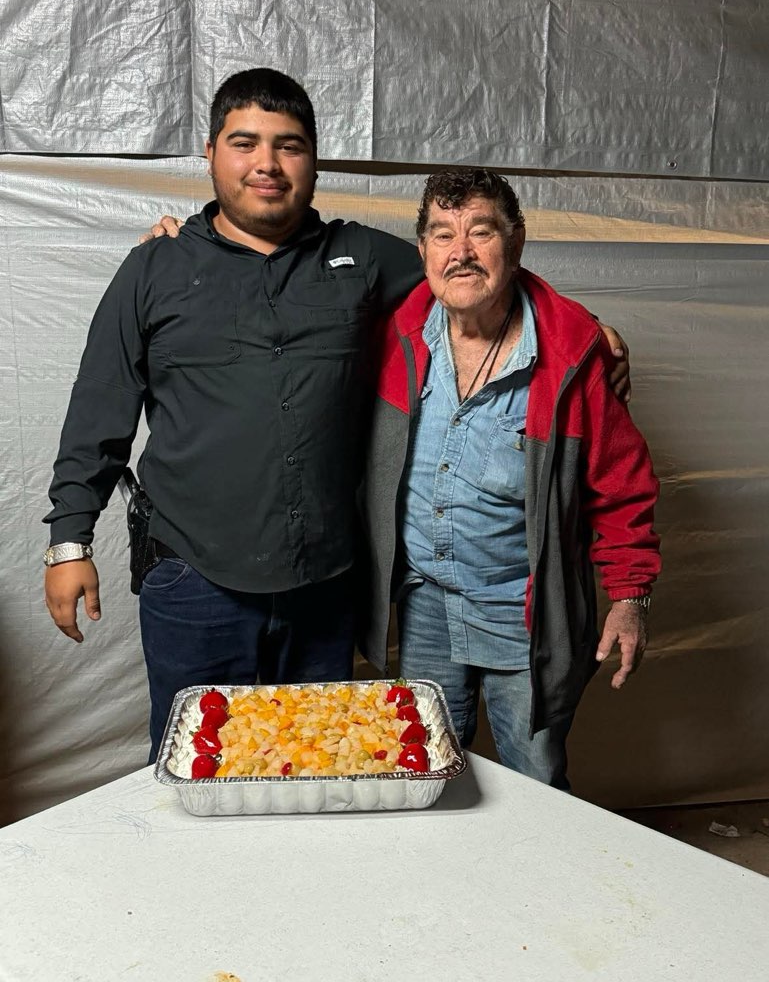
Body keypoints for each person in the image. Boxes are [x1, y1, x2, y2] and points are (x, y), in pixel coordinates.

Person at [43, 68, 631, 759]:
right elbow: (98, 409)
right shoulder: (154, 270)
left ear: (313, 160)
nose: (266, 163)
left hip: (322, 585)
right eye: (245, 142)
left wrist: (579, 324)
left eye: (288, 145)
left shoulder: (363, 259)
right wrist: (69, 542)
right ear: (209, 154)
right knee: (194, 765)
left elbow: (471, 269)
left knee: (320, 761)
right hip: (193, 575)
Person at [359, 168, 661, 789]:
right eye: (442, 235)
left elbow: (622, 486)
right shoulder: (394, 331)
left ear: (516, 242)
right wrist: (177, 239)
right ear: (421, 251)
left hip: (524, 613)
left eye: (481, 231)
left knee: (537, 783)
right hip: (426, 606)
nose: (461, 251)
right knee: (423, 774)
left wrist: (629, 598)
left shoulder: (572, 357)